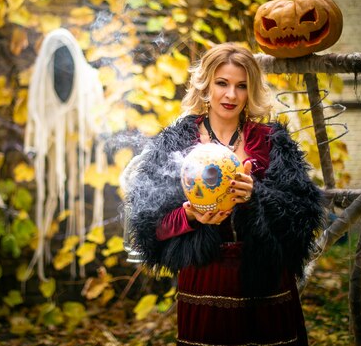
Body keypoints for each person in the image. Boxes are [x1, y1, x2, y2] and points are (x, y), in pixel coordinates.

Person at [125, 43, 325, 346]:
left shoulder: (270, 141)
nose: (231, 95)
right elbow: (150, 225)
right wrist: (190, 214)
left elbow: (301, 217)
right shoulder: (176, 143)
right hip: (205, 277)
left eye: (241, 86)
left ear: (250, 91)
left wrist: (256, 196)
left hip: (265, 277)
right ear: (206, 86)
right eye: (222, 83)